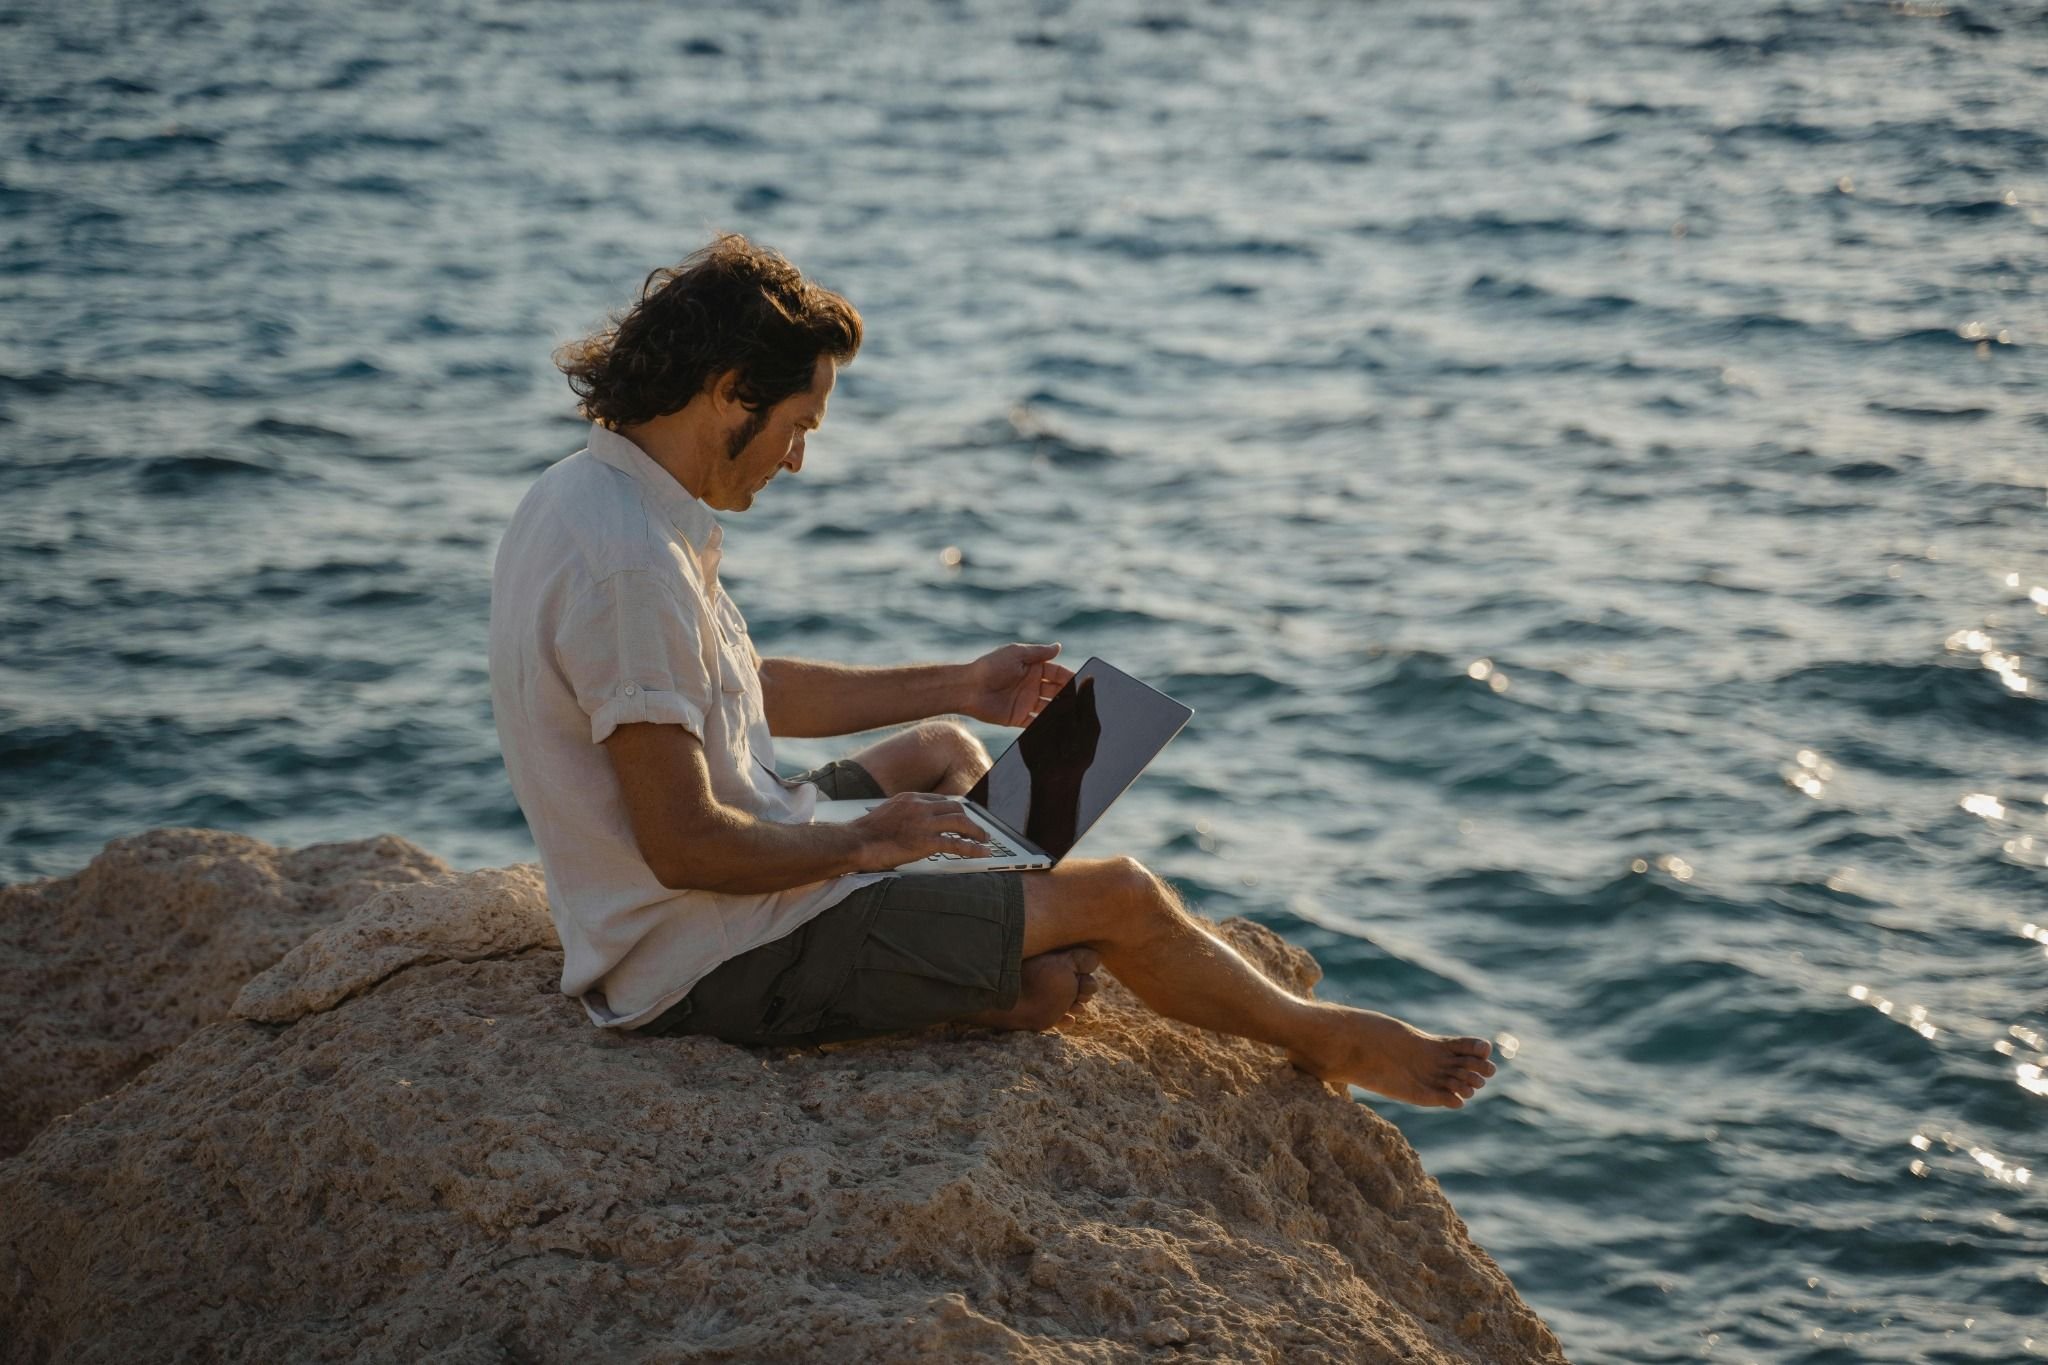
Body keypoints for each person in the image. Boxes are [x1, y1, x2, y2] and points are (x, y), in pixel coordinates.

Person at [488, 234, 1494, 1108]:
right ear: (729, 393)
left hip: (720, 890)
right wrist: (867, 844)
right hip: (706, 954)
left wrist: (960, 686)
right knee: (1120, 899)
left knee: (943, 749)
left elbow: (742, 686)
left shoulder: (597, 494)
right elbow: (684, 844)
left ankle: (996, 928)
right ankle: (1324, 1037)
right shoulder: (631, 565)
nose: (794, 460)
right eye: (798, 426)